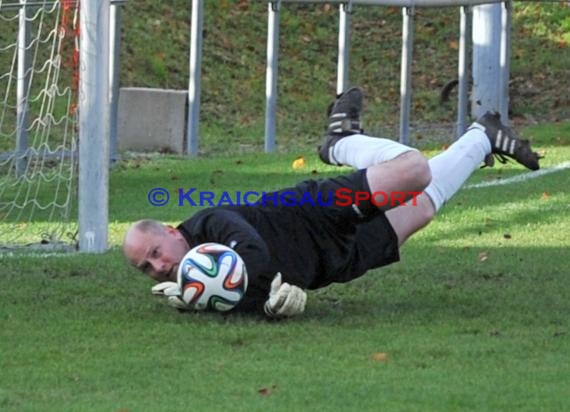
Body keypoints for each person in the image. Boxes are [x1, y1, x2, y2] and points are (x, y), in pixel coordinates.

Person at [123, 87, 541, 318]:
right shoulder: (194, 290)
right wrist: (212, 301)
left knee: (414, 171)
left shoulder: (211, 223)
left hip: (318, 209)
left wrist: (252, 301)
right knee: (424, 207)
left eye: (156, 252)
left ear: (173, 231)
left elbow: (254, 255)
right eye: (147, 267)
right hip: (332, 260)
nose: (158, 266)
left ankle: (341, 143)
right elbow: (245, 289)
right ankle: (483, 135)